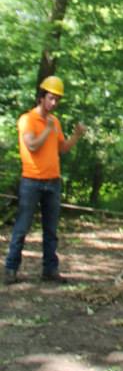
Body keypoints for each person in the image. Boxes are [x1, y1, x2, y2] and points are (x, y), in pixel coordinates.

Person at [4, 76, 86, 285]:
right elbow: (31, 145)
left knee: (51, 230)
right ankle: (11, 268)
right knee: (22, 227)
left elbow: (62, 148)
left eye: (57, 99)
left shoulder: (55, 121)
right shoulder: (27, 119)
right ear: (41, 97)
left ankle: (50, 269)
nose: (54, 103)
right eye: (51, 98)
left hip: (53, 182)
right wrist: (47, 129)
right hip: (31, 181)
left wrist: (76, 136)